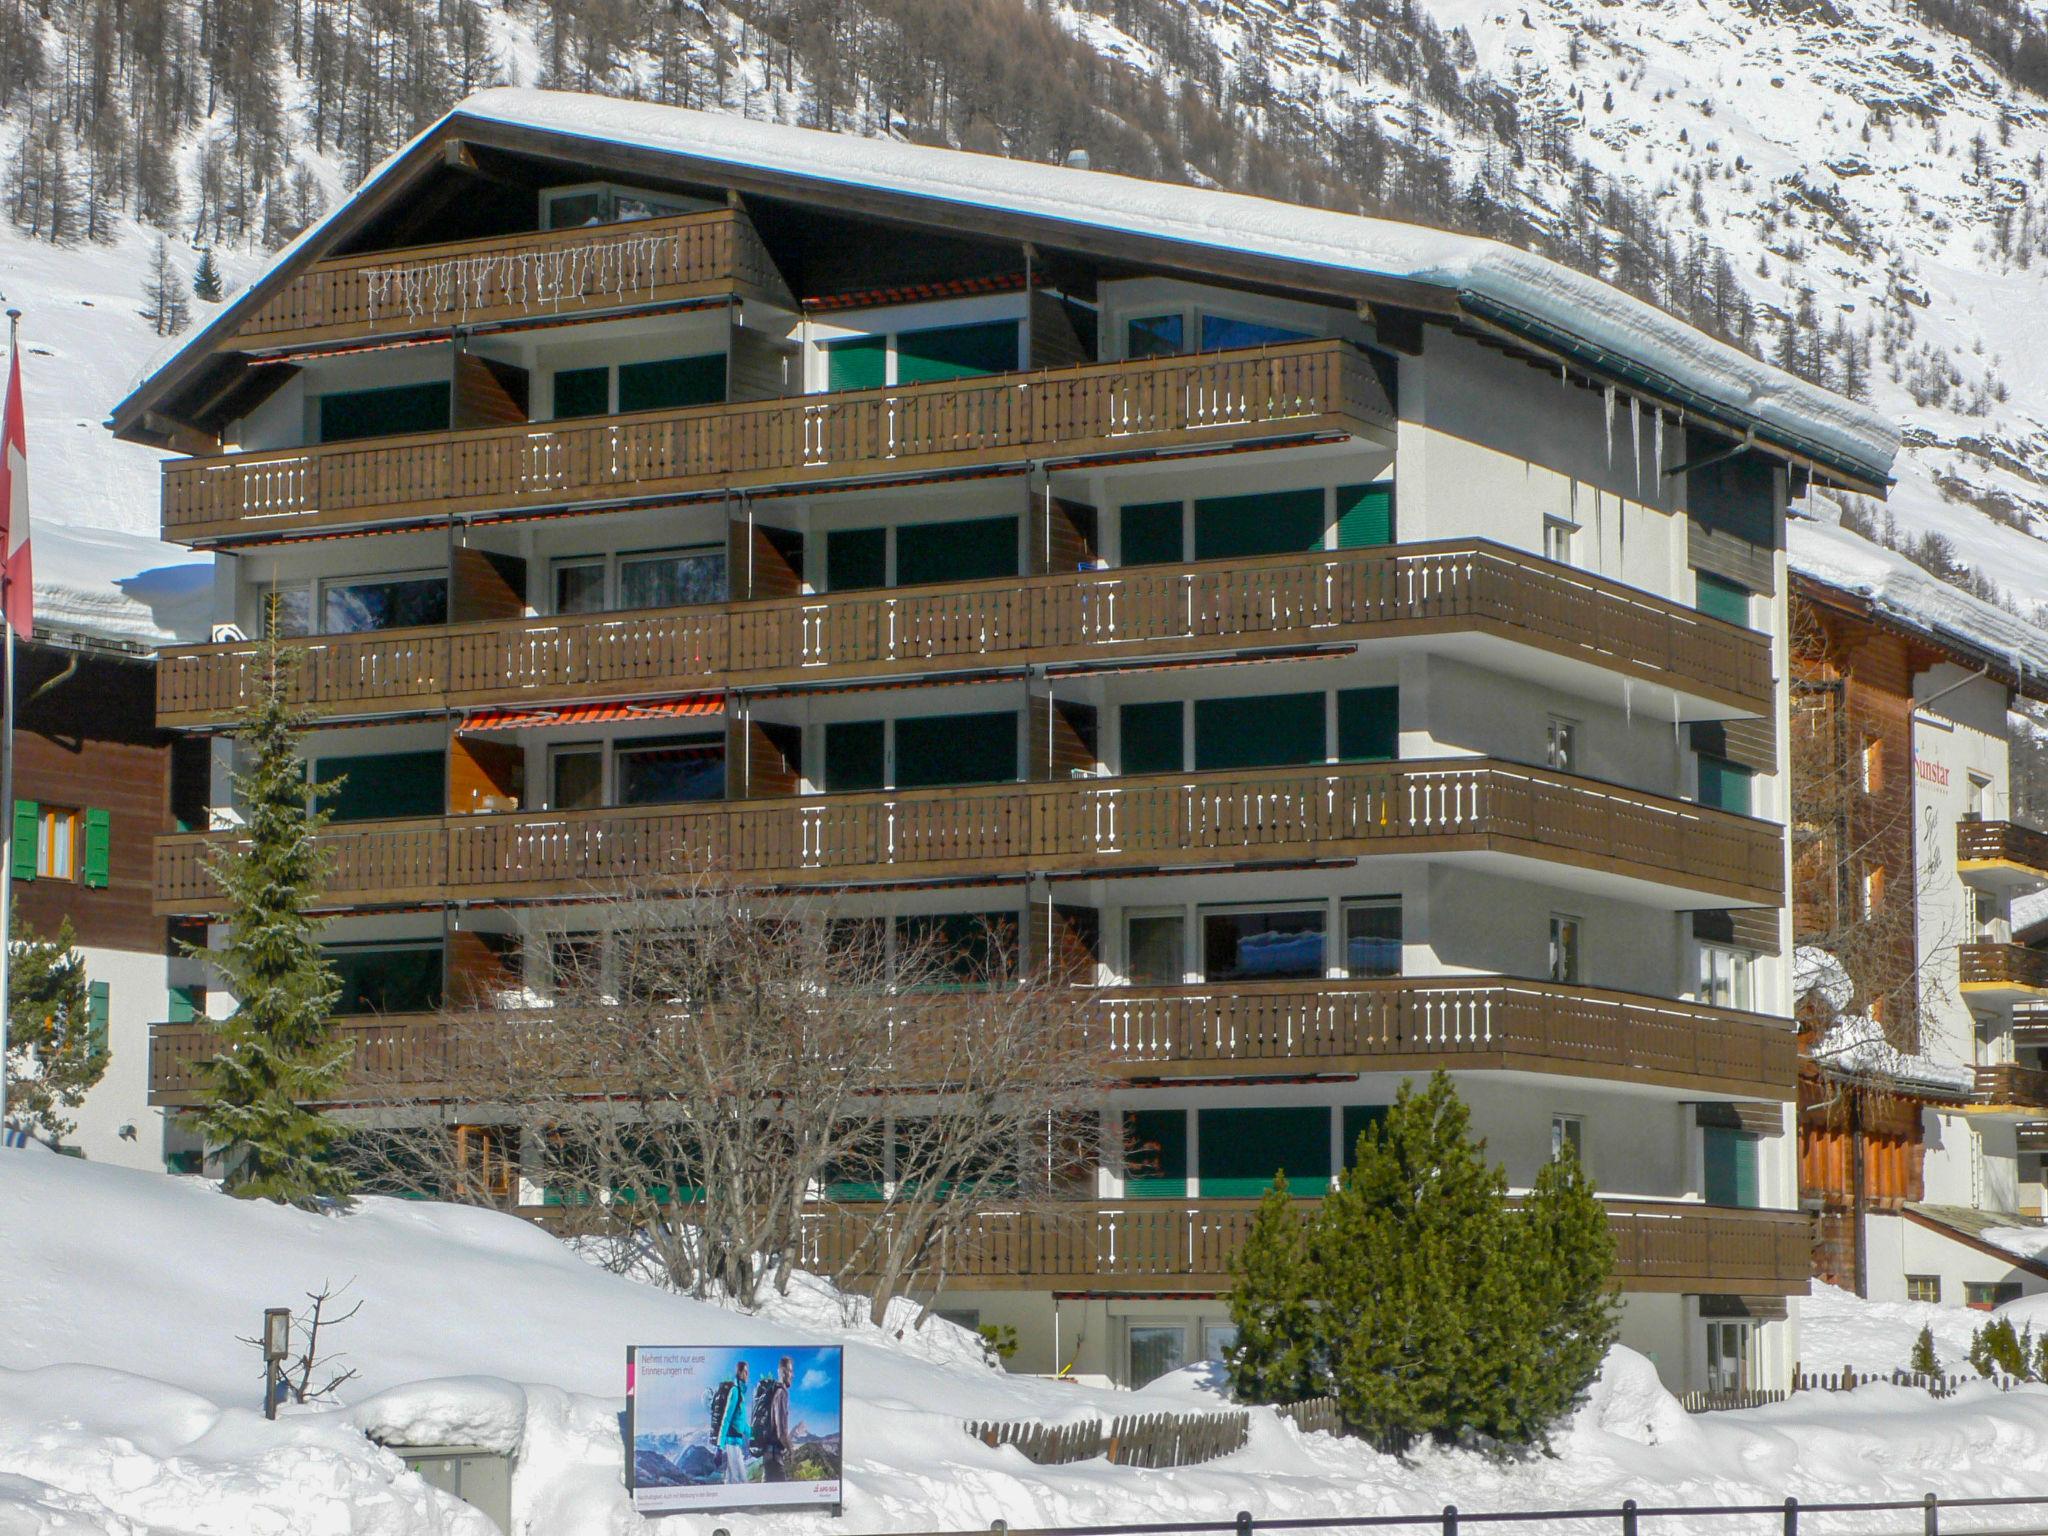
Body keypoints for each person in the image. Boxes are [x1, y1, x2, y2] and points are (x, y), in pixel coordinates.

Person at [758, 1356, 795, 1482]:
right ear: (783, 1372)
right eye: (790, 1371)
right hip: (774, 1457)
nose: (792, 1375)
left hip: (767, 1455)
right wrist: (791, 1450)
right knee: (781, 1495)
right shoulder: (782, 1393)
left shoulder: (773, 1392)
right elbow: (781, 1433)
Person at [716, 1359, 751, 1483]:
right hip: (731, 1443)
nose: (747, 1375)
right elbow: (726, 1419)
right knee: (740, 1480)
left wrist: (755, 1435)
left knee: (731, 1479)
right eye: (745, 1372)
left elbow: (742, 1423)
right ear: (740, 1373)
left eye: (748, 1372)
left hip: (737, 1443)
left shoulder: (741, 1394)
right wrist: (719, 1447)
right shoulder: (735, 1392)